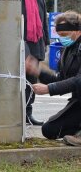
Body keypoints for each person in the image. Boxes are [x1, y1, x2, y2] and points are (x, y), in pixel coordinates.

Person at [27, 11, 81, 142]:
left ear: (77, 31)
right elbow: (62, 79)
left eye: (65, 35)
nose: (62, 39)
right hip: (78, 101)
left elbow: (79, 80)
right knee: (49, 129)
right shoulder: (68, 50)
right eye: (59, 35)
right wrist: (38, 71)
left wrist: (49, 89)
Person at [21, 0, 49, 126]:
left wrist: (45, 42)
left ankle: (28, 113)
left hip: (36, 42)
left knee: (32, 81)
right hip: (21, 42)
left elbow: (43, 18)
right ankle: (16, 113)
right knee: (17, 81)